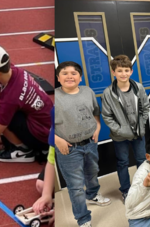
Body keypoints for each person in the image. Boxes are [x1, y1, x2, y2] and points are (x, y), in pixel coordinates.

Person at [52, 61, 111, 227]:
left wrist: (97, 127)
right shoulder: (53, 97)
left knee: (92, 172)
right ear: (58, 77)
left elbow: (95, 112)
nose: (69, 76)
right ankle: (83, 219)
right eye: (64, 73)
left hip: (90, 143)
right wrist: (57, 140)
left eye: (74, 73)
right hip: (68, 148)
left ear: (80, 77)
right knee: (76, 186)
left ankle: (92, 195)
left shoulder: (87, 91)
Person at [101, 55, 150, 204]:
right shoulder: (108, 93)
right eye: (120, 70)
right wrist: (121, 131)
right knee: (123, 162)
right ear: (113, 72)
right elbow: (107, 117)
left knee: (142, 160)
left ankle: (144, 187)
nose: (123, 74)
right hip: (119, 137)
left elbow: (145, 108)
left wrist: (141, 127)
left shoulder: (139, 87)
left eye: (126, 70)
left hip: (138, 134)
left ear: (131, 71)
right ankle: (126, 190)